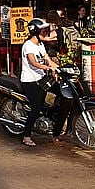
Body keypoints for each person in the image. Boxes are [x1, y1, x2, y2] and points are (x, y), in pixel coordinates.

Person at [19, 18, 60, 147]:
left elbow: (47, 59)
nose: (44, 33)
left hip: (41, 78)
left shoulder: (40, 45)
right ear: (35, 31)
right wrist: (47, 68)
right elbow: (33, 62)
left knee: (60, 92)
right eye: (42, 30)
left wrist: (58, 68)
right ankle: (26, 136)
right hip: (29, 81)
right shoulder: (28, 45)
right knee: (36, 108)